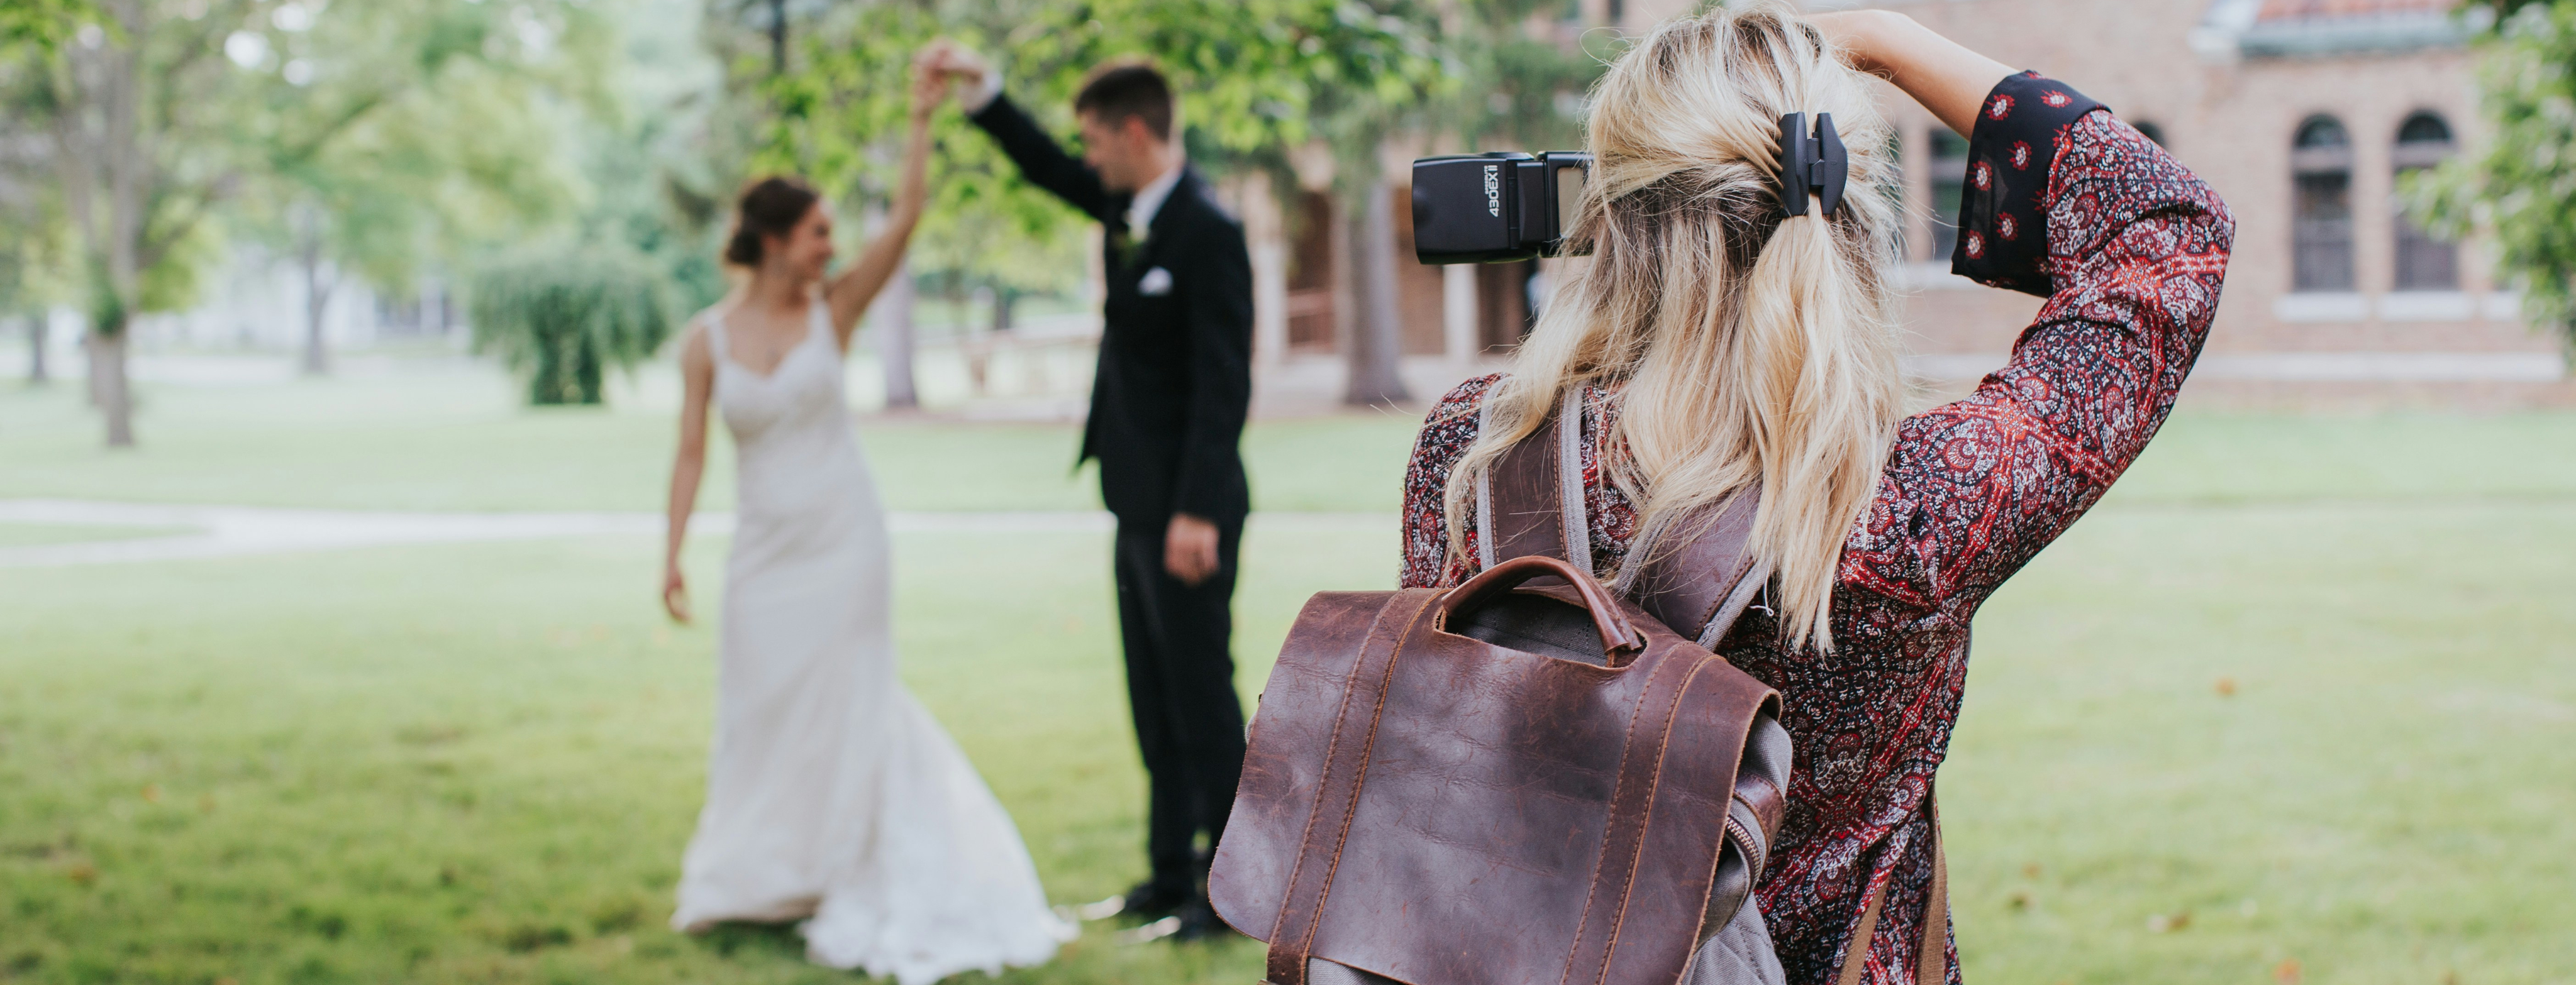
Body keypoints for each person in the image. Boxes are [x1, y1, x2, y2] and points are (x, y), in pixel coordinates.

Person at [1396, 5, 2231, 984]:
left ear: (1604, 221)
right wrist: (1885, 39)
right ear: (1844, 223)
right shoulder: (1909, 510)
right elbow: (2165, 229)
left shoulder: (1477, 460)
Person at [658, 63, 1072, 982]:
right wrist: (673, 552)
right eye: (814, 235)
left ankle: (841, 863)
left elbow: (907, 220)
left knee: (848, 702)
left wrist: (922, 118)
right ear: (769, 240)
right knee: (763, 707)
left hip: (844, 539)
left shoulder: (834, 312)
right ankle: (760, 872)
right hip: (764, 551)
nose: (827, 249)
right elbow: (690, 453)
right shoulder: (705, 340)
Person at [919, 41, 1255, 942]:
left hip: (1190, 510)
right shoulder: (1124, 210)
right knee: (1151, 696)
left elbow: (1224, 384)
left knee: (1200, 696)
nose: (1090, 158)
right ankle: (1164, 874)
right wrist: (985, 97)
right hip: (1133, 498)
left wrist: (1194, 509)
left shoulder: (1208, 232)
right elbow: (1044, 169)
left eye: (1096, 141)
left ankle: (1227, 894)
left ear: (1136, 131)